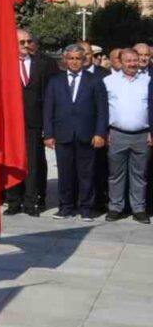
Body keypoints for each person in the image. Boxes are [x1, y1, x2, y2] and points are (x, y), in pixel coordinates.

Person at [44, 44, 108, 220]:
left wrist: (100, 133)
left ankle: (86, 208)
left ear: (84, 60)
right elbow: (48, 109)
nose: (74, 62)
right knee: (65, 173)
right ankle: (66, 207)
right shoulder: (55, 81)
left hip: (87, 135)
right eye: (71, 58)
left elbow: (102, 110)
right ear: (65, 60)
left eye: (78, 58)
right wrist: (48, 134)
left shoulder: (94, 80)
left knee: (86, 174)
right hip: (62, 134)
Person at [7, 28, 55, 216]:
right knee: (11, 162)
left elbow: (48, 97)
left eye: (28, 41)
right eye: (22, 42)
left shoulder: (41, 64)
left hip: (34, 122)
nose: (27, 45)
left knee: (33, 164)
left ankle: (30, 202)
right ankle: (13, 202)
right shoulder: (3, 64)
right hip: (11, 123)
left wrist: (47, 124)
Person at [103, 49, 152, 223]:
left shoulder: (148, 81)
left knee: (139, 174)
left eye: (135, 60)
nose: (132, 64)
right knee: (115, 174)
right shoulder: (108, 81)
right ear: (120, 62)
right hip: (117, 134)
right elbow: (103, 110)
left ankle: (138, 208)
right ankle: (116, 207)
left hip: (142, 136)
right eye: (128, 60)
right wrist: (104, 132)